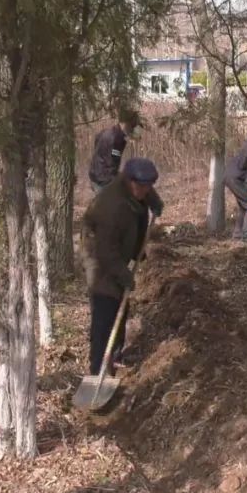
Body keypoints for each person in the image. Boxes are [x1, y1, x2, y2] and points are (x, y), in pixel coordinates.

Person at [80, 157, 164, 374]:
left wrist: (155, 201)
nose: (145, 190)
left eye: (149, 187)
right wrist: (123, 274)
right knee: (105, 307)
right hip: (99, 258)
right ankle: (98, 366)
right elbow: (106, 251)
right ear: (129, 181)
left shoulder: (136, 187)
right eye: (142, 186)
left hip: (118, 248)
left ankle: (115, 354)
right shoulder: (111, 208)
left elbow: (145, 189)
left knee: (121, 305)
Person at [88, 108, 144, 193]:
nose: (135, 127)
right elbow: (111, 166)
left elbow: (98, 151)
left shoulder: (107, 132)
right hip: (103, 181)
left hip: (95, 176)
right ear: (126, 124)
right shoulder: (117, 140)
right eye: (133, 124)